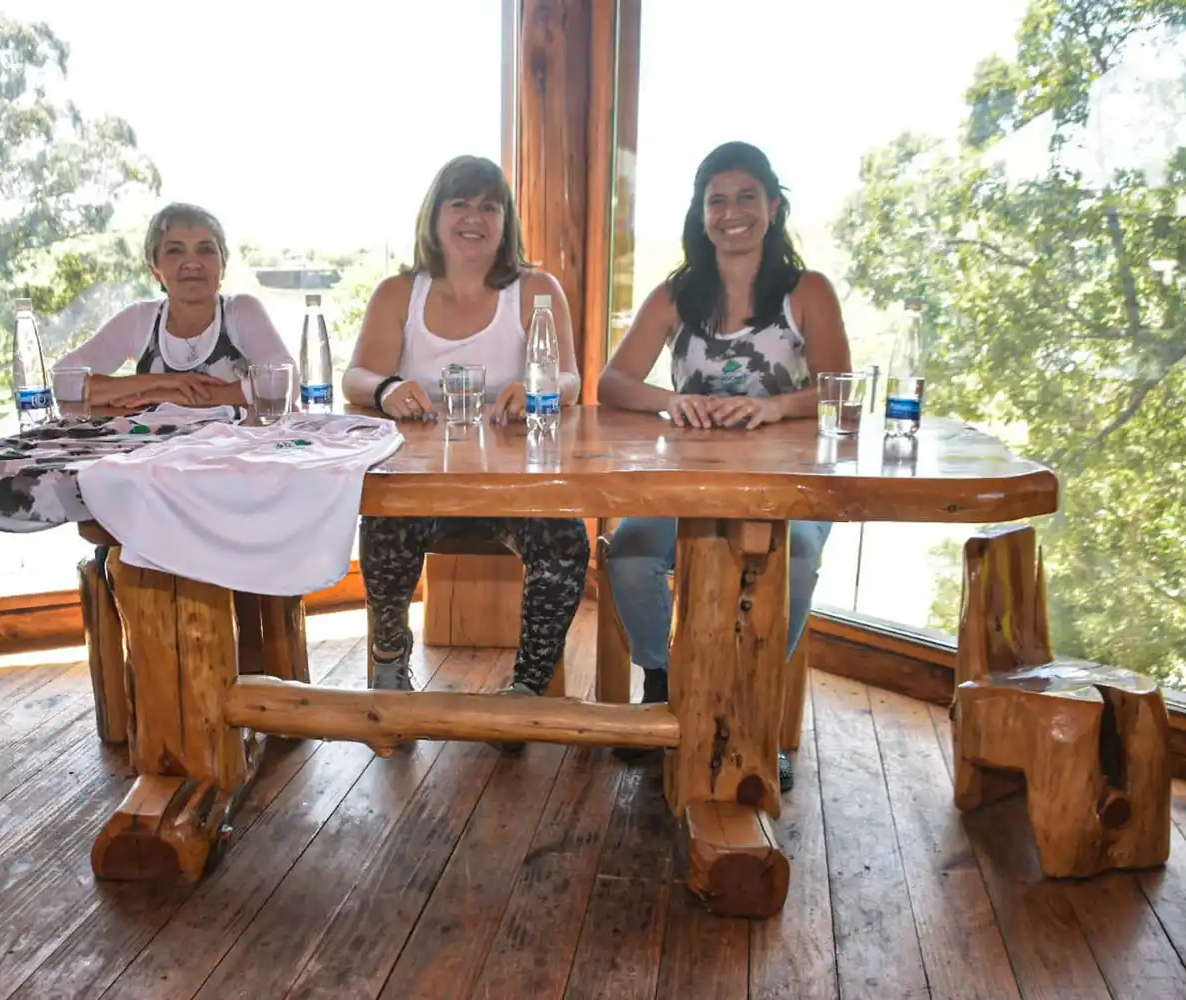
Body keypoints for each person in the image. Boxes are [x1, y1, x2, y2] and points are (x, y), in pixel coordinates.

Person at [597, 141, 854, 788]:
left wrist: (776, 408)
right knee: (628, 551)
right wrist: (671, 401)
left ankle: (752, 711)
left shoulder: (807, 291)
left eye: (747, 197)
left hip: (788, 485)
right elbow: (612, 383)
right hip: (689, 484)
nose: (731, 212)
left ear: (774, 207)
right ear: (701, 212)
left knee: (794, 556)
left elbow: (842, 391)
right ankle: (663, 689)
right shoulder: (676, 294)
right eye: (717, 200)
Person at [341, 155, 589, 728]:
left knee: (566, 536)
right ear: (435, 217)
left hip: (514, 491)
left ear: (505, 222)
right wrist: (387, 389)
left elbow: (571, 380)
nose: (473, 218)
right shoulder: (398, 292)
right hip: (422, 489)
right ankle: (388, 663)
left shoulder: (536, 289)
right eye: (459, 204)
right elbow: (356, 377)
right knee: (383, 518)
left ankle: (526, 692)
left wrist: (540, 387)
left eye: (488, 206)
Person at [53, 202, 294, 410]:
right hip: (155, 449)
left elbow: (285, 383)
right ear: (154, 268)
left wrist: (170, 398)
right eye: (175, 251)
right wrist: (159, 383)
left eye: (205, 249)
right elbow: (63, 381)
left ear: (223, 264)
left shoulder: (241, 311)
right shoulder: (140, 319)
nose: (192, 263)